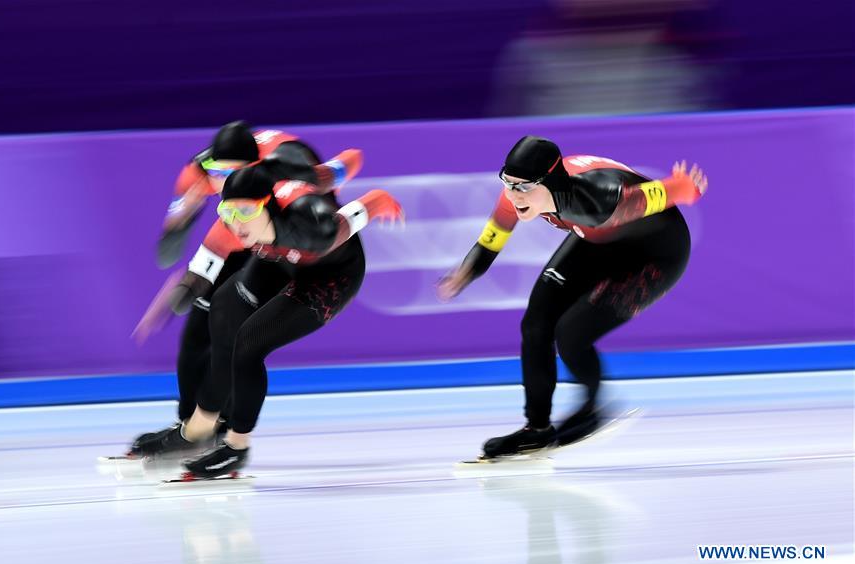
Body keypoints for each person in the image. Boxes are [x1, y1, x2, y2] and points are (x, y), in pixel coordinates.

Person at [437, 136, 706, 459]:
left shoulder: (602, 198)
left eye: (522, 187)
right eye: (507, 183)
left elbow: (669, 193)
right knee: (536, 324)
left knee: (571, 333)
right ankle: (536, 430)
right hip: (595, 237)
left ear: (549, 183)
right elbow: (490, 242)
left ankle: (593, 409)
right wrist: (465, 273)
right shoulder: (518, 192)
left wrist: (684, 186)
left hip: (655, 254)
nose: (512, 195)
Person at [138, 164, 403, 478]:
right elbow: (201, 270)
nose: (236, 224)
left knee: (249, 343)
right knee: (223, 308)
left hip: (330, 276)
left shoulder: (314, 224)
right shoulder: (233, 226)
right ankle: (197, 430)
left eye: (246, 211)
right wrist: (179, 296)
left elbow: (365, 206)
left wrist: (382, 199)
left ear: (269, 204)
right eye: (228, 212)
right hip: (278, 259)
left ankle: (237, 448)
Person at [127, 121, 363, 457]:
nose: (220, 182)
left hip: (296, 246)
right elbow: (176, 246)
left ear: (255, 171)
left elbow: (349, 163)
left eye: (230, 174)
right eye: (216, 175)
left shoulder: (288, 167)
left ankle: (225, 429)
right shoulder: (201, 172)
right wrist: (180, 231)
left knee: (239, 335)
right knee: (206, 320)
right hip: (257, 238)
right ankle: (194, 424)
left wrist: (338, 183)